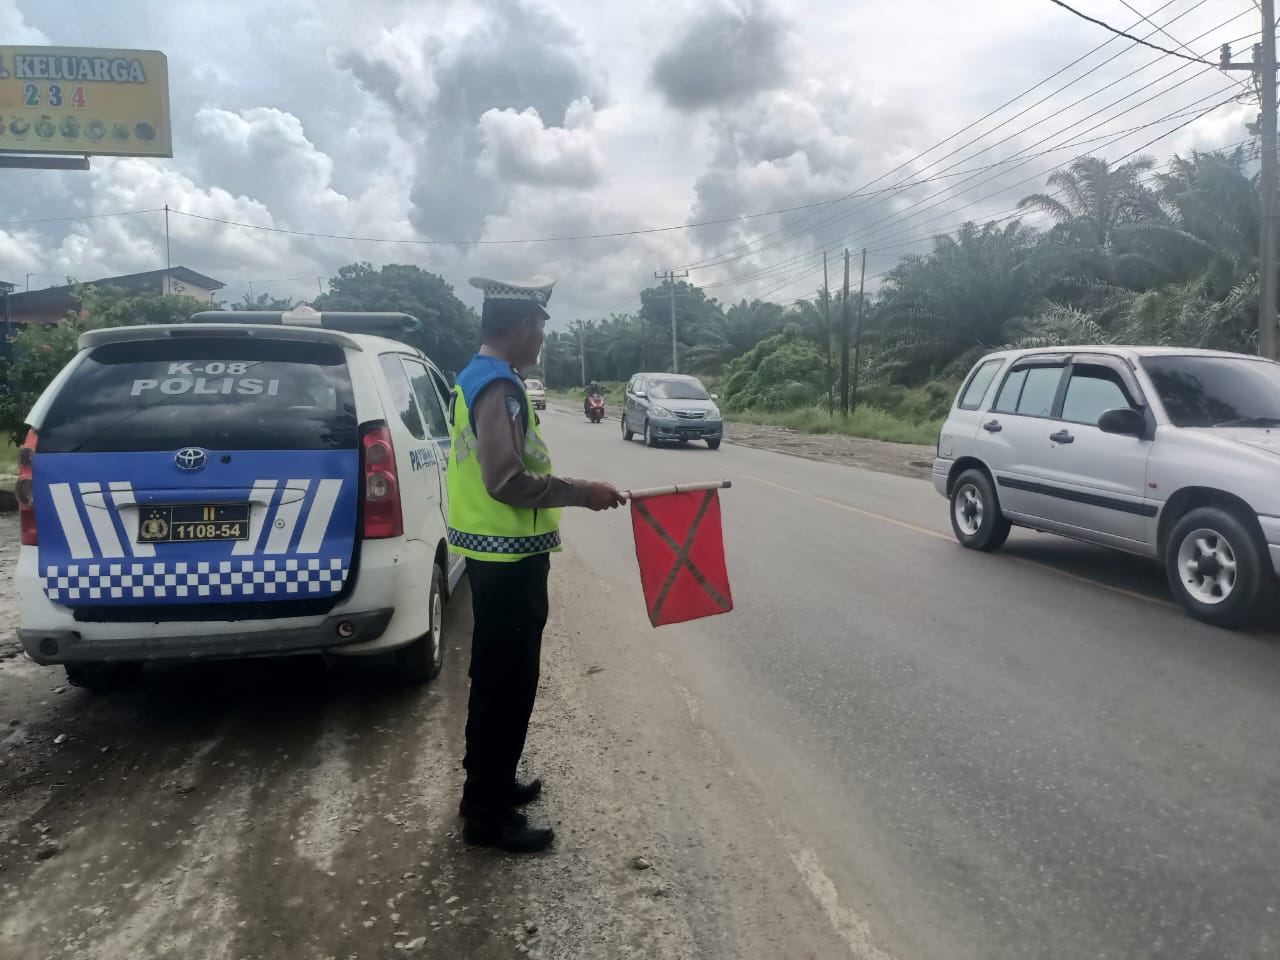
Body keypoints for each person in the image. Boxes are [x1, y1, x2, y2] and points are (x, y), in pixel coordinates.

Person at [447, 275, 626, 853]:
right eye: (542, 326)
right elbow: (506, 479)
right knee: (507, 682)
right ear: (524, 327)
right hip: (506, 562)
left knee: (497, 677)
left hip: (490, 554)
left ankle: (492, 786)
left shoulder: (475, 376)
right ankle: (486, 815)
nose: (544, 336)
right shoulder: (499, 387)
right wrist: (583, 491)